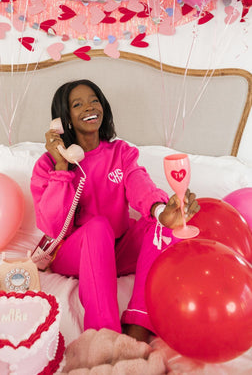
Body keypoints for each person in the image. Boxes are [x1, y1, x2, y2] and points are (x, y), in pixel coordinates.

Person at [30, 79, 200, 343]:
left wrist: (159, 211)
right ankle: (104, 337)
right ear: (64, 119)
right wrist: (62, 167)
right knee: (97, 227)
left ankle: (139, 324)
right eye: (77, 104)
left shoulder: (121, 152)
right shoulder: (47, 165)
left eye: (94, 100)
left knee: (161, 226)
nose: (89, 107)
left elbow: (138, 183)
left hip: (117, 249)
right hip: (74, 253)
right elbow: (53, 226)